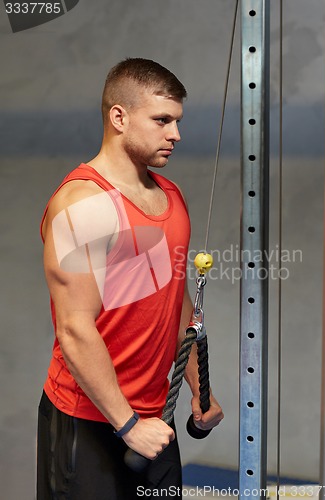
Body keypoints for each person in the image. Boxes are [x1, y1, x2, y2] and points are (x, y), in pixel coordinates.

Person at [37, 57, 223, 500]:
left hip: (156, 417)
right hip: (89, 422)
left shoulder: (171, 199)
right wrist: (128, 425)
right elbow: (74, 328)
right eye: (162, 120)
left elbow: (174, 304)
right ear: (118, 117)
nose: (175, 134)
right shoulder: (82, 205)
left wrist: (200, 388)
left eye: (177, 121)